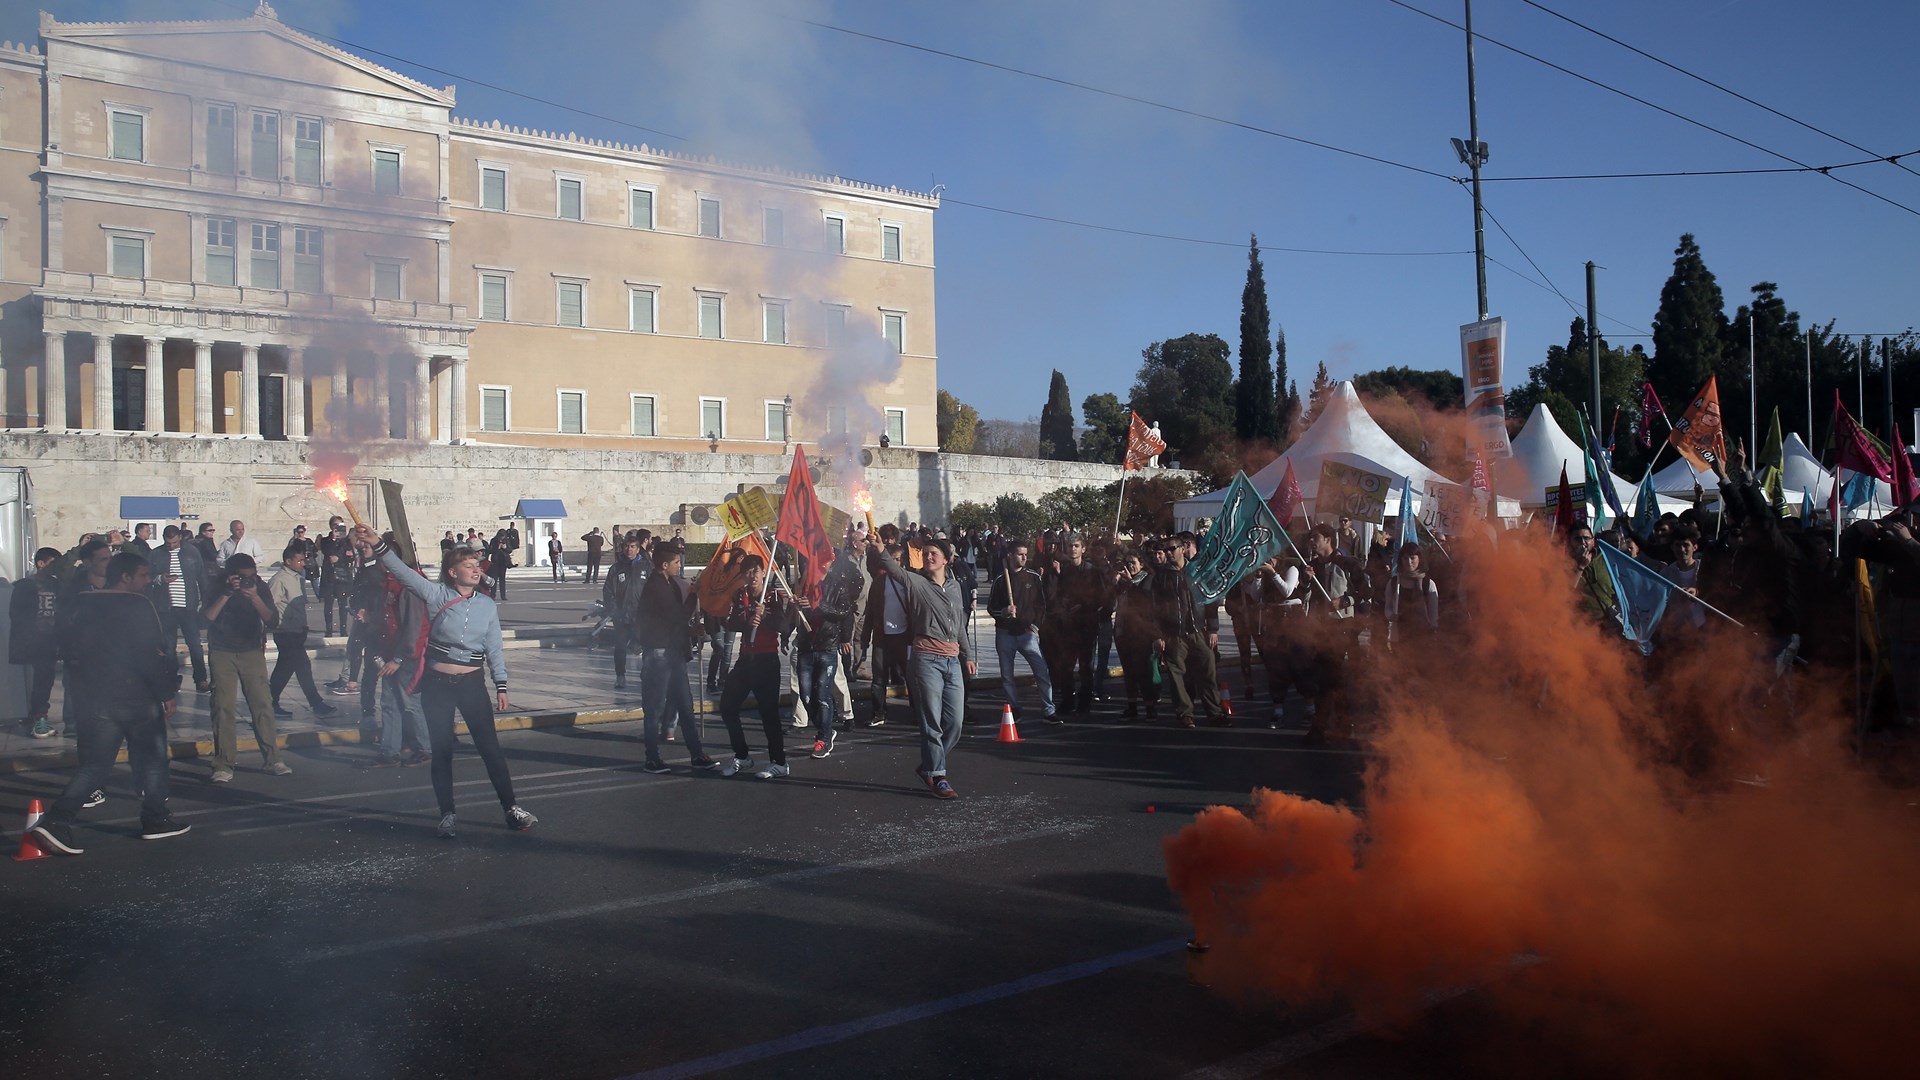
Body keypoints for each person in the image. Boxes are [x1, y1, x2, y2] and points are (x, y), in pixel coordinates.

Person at [356, 525, 535, 837]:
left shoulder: (486, 605)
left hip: (471, 684)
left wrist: (501, 684)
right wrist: (379, 545)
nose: (476, 570)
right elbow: (404, 574)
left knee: (490, 749)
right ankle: (447, 815)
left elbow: (494, 647)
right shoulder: (436, 595)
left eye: (477, 565)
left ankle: (511, 808)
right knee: (441, 751)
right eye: (469, 566)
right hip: (437, 685)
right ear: (453, 572)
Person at [29, 552, 187, 855]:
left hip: (97, 699)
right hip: (137, 698)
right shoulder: (139, 605)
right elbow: (151, 654)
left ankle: (57, 820)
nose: (146, 581)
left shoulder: (83, 602)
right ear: (126, 577)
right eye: (142, 575)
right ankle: (155, 820)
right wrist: (166, 693)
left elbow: (68, 647)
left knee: (94, 767)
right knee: (153, 761)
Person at [868, 534, 974, 799]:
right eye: (925, 553)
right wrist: (881, 549)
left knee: (955, 723)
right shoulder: (916, 582)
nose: (928, 557)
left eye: (933, 553)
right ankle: (938, 776)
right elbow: (894, 570)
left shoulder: (954, 587)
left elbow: (959, 626)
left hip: (952, 660)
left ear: (947, 559)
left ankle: (929, 764)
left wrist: (968, 656)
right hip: (926, 660)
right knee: (931, 722)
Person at [202, 552, 291, 782]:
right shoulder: (217, 586)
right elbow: (204, 619)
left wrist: (254, 597)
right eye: (243, 577)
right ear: (230, 575)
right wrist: (226, 593)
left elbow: (272, 620)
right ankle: (224, 764)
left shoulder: (259, 587)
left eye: (252, 575)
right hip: (222, 651)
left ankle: (273, 759)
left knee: (262, 704)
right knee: (223, 707)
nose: (248, 580)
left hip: (251, 650)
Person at [635, 545, 715, 773]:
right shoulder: (656, 586)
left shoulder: (668, 583)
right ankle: (652, 758)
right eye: (677, 562)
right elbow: (676, 616)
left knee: (685, 705)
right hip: (658, 655)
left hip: (673, 652)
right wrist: (694, 594)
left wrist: (691, 631)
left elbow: (671, 623)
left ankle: (696, 754)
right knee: (654, 709)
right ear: (664, 565)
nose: (679, 566)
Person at [716, 555, 795, 779]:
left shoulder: (773, 596)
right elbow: (731, 622)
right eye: (747, 573)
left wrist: (765, 615)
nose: (752, 576)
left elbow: (782, 626)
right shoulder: (740, 595)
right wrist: (748, 619)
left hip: (766, 660)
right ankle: (742, 755)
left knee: (769, 714)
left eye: (756, 571)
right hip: (745, 660)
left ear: (763, 573)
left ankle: (779, 762)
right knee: (727, 707)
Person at [362, 554, 432, 769]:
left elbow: (414, 628)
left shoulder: (408, 587)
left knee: (411, 703)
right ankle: (389, 750)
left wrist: (399, 658)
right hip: (392, 653)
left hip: (406, 656)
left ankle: (425, 747)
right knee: (390, 702)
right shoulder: (389, 586)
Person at [1150, 539, 1224, 728]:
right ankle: (1185, 714)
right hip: (1173, 634)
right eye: (1165, 549)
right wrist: (1157, 635)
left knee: (1208, 671)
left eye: (1171, 549)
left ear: (1182, 549)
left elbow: (1210, 600)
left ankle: (1215, 713)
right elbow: (1154, 607)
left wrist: (1213, 629)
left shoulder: (1197, 572)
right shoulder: (1160, 577)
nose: (1168, 553)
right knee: (1177, 676)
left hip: (1197, 631)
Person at [986, 540, 1055, 721]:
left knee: (1042, 672)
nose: (1025, 557)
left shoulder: (1033, 577)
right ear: (1010, 555)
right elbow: (991, 607)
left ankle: (1049, 709)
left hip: (1027, 634)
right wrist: (1003, 611)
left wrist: (1035, 626)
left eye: (1026, 554)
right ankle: (1014, 707)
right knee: (1007, 675)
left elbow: (1041, 605)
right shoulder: (1000, 579)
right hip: (1005, 634)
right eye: (1020, 554)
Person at [268, 545, 338, 720]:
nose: (302, 563)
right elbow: (270, 606)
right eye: (299, 561)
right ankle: (316, 703)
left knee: (286, 668)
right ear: (288, 561)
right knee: (300, 668)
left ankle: (269, 702)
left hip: (297, 631)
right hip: (285, 632)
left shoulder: (297, 579)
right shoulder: (279, 580)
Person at [1043, 533, 1109, 717]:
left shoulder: (1092, 571)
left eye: (1077, 546)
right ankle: (1067, 701)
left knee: (1086, 667)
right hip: (1068, 626)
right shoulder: (1064, 570)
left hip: (1087, 625)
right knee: (1066, 666)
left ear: (1083, 549)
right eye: (1071, 546)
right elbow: (1057, 594)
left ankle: (1085, 702)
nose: (1073, 549)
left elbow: (1101, 597)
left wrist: (1084, 606)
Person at [9, 547, 65, 737]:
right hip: (34, 638)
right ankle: (37, 716)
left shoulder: (58, 584)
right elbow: (17, 614)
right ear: (41, 564)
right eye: (53, 563)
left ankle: (38, 715)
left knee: (45, 678)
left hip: (50, 639)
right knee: (37, 679)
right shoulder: (25, 585)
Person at [148, 526, 210, 694]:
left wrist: (205, 601)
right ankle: (172, 679)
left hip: (188, 606)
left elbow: (201, 576)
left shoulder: (192, 552)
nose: (171, 546)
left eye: (174, 542)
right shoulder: (156, 554)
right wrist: (160, 579)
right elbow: (147, 575)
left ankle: (201, 679)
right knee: (169, 646)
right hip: (165, 607)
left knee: (194, 644)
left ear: (180, 538)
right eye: (168, 543)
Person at [1112, 549, 1160, 721]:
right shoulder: (1123, 582)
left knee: (1143, 671)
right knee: (1129, 671)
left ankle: (1150, 706)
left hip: (1140, 632)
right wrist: (1115, 584)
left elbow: (1144, 601)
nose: (1130, 566)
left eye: (1133, 562)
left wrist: (1131, 583)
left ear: (1141, 564)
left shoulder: (1148, 579)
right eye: (1127, 563)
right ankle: (1131, 705)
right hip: (1123, 630)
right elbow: (1113, 603)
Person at [604, 536, 648, 690]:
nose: (629, 550)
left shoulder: (646, 567)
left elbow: (652, 590)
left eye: (632, 547)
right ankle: (620, 675)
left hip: (640, 616)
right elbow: (608, 591)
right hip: (622, 616)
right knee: (620, 647)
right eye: (627, 546)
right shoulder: (616, 568)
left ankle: (646, 675)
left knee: (645, 646)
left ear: (638, 549)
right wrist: (614, 611)